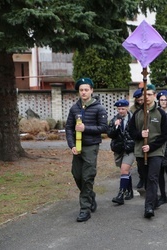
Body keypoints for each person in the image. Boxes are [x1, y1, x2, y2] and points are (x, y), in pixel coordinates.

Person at [65, 77, 108, 222]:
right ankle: (90, 195)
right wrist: (71, 145)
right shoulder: (74, 108)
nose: (83, 92)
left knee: (87, 176)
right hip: (77, 147)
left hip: (91, 146)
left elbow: (104, 128)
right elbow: (69, 128)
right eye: (81, 90)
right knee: (76, 175)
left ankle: (85, 209)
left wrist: (85, 128)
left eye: (86, 90)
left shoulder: (99, 108)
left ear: (91, 91)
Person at [128, 84, 167, 219]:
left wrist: (151, 146)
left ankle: (149, 207)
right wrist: (140, 135)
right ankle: (154, 199)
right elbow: (131, 131)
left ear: (154, 96)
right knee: (145, 178)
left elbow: (165, 134)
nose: (147, 97)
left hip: (156, 151)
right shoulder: (137, 113)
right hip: (141, 151)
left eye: (150, 94)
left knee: (153, 177)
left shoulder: (160, 113)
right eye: (145, 95)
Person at [107, 99, 135, 205]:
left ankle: (120, 194)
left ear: (127, 108)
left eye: (123, 109)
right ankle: (130, 191)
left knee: (124, 170)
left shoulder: (133, 119)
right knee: (125, 171)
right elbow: (109, 134)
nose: (121, 111)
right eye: (119, 109)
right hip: (119, 149)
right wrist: (115, 126)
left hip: (130, 149)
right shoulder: (115, 119)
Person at [130, 88, 145, 189]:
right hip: (138, 137)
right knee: (140, 161)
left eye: (141, 99)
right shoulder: (133, 109)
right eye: (138, 100)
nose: (140, 102)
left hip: (149, 136)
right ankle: (142, 178)